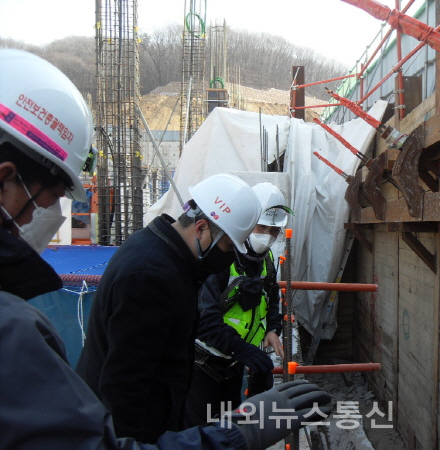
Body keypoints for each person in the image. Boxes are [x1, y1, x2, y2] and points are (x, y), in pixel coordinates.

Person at [0, 48, 332, 450]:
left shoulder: (167, 262)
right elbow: (123, 401)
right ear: (204, 227)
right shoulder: (150, 275)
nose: (232, 254)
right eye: (52, 197)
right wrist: (238, 434)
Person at [76, 172, 265, 443]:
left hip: (152, 423)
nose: (227, 257)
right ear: (201, 228)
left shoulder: (165, 256)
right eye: (226, 246)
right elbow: (124, 386)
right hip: (128, 434)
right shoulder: (150, 275)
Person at [184, 182, 293, 427]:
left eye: (274, 230)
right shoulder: (221, 257)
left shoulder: (267, 260)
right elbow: (204, 318)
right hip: (204, 364)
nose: (268, 235)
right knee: (203, 432)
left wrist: (272, 329)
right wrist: (245, 350)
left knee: (229, 427)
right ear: (246, 222)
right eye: (262, 226)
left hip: (234, 365)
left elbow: (272, 297)